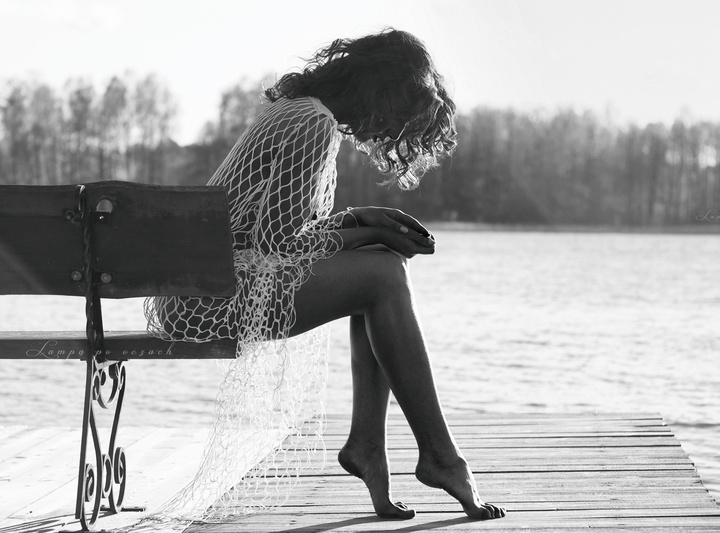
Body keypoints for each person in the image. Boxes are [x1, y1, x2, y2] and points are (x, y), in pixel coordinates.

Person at [147, 28, 505, 521]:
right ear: (379, 94)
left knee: (379, 271)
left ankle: (370, 448)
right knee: (382, 274)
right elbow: (280, 246)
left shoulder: (300, 110)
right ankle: (438, 456)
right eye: (398, 113)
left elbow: (273, 230)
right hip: (211, 299)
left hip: (200, 289)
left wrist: (363, 220)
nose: (389, 129)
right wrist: (364, 231)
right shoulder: (312, 123)